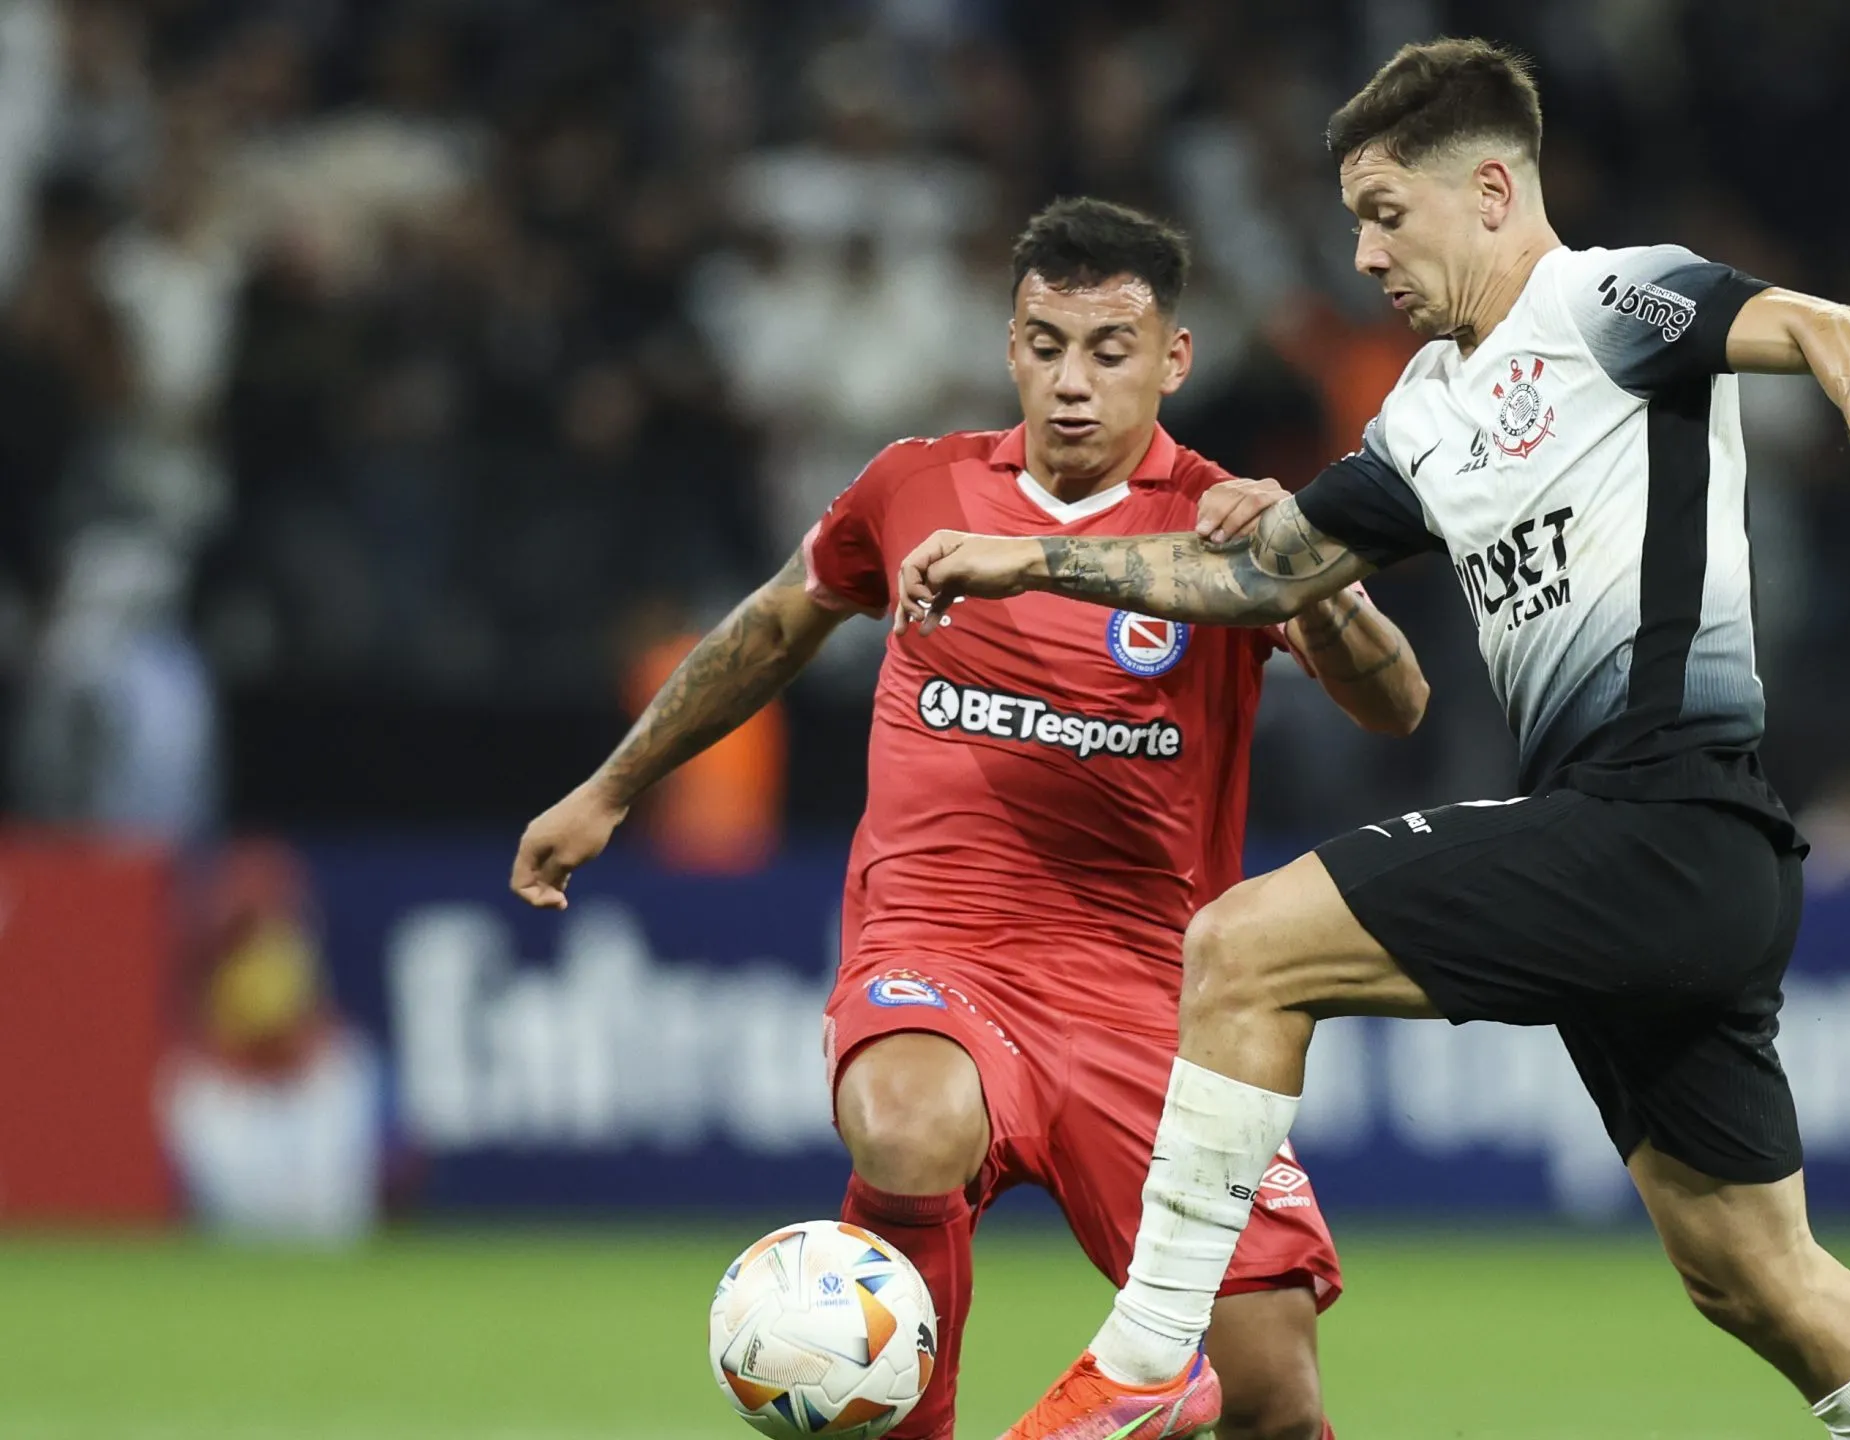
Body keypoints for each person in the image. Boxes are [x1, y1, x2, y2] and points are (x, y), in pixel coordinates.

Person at [896, 41, 1850, 1440]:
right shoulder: (1426, 409)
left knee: (1241, 947)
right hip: (1650, 863)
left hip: (1668, 820)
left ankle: (1152, 1353)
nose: (1360, 252)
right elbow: (1263, 575)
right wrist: (1032, 562)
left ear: (1487, 190)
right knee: (1749, 1272)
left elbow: (1830, 324)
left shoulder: (1607, 301)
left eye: (1382, 211)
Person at [512, 197, 1427, 1440]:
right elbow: (780, 619)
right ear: (1010, 345)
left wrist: (1306, 571)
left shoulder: (1216, 524)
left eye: (1108, 352)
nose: (1070, 383)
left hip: (1152, 998)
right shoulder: (916, 486)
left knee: (1273, 1392)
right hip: (938, 950)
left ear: (1174, 359)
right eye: (1046, 345)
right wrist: (612, 787)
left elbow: (1397, 704)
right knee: (906, 1121)